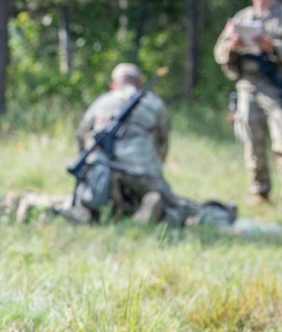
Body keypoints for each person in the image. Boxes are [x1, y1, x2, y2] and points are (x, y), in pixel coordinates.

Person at [64, 63, 235, 228]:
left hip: (103, 172)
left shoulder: (101, 102)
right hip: (143, 171)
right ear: (140, 83)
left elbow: (82, 138)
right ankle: (159, 211)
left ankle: (119, 208)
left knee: (89, 199)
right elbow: (163, 142)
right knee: (174, 205)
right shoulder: (154, 103)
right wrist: (154, 167)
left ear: (113, 85)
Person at [213, 0, 282, 206]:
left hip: (277, 87)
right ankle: (260, 191)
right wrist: (232, 46)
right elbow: (219, 53)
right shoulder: (240, 19)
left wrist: (273, 46)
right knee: (252, 143)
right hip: (248, 87)